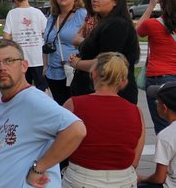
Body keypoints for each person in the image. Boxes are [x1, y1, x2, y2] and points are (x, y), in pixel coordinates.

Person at [0, 39, 86, 187]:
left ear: (24, 66)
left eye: (9, 61)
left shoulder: (32, 99)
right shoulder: (8, 101)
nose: (2, 67)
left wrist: (39, 168)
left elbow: (76, 129)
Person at [62, 52, 145, 187]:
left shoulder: (73, 105)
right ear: (123, 82)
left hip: (82, 178)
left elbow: (58, 144)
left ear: (94, 73)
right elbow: (134, 161)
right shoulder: (136, 112)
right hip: (124, 180)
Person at [69, 0, 140, 104]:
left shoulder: (117, 25)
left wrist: (78, 63)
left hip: (112, 95)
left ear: (115, 1)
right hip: (96, 91)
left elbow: (106, 64)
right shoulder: (105, 22)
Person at [136, 0, 176, 134]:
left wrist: (150, 6)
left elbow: (136, 32)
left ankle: (166, 157)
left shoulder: (152, 24)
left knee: (163, 128)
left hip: (158, 78)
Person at [43, 0, 87, 106]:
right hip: (53, 73)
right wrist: (45, 67)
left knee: (77, 108)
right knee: (61, 109)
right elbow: (46, 43)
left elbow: (91, 41)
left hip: (74, 71)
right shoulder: (52, 17)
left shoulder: (82, 15)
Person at [3, 0, 48, 91]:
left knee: (22, 89)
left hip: (20, 59)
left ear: (15, 0)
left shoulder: (12, 14)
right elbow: (46, 33)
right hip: (37, 58)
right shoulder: (38, 13)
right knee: (42, 89)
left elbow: (6, 36)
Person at [138, 81, 176, 187]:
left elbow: (159, 178)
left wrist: (142, 178)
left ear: (164, 108)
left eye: (157, 102)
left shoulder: (166, 135)